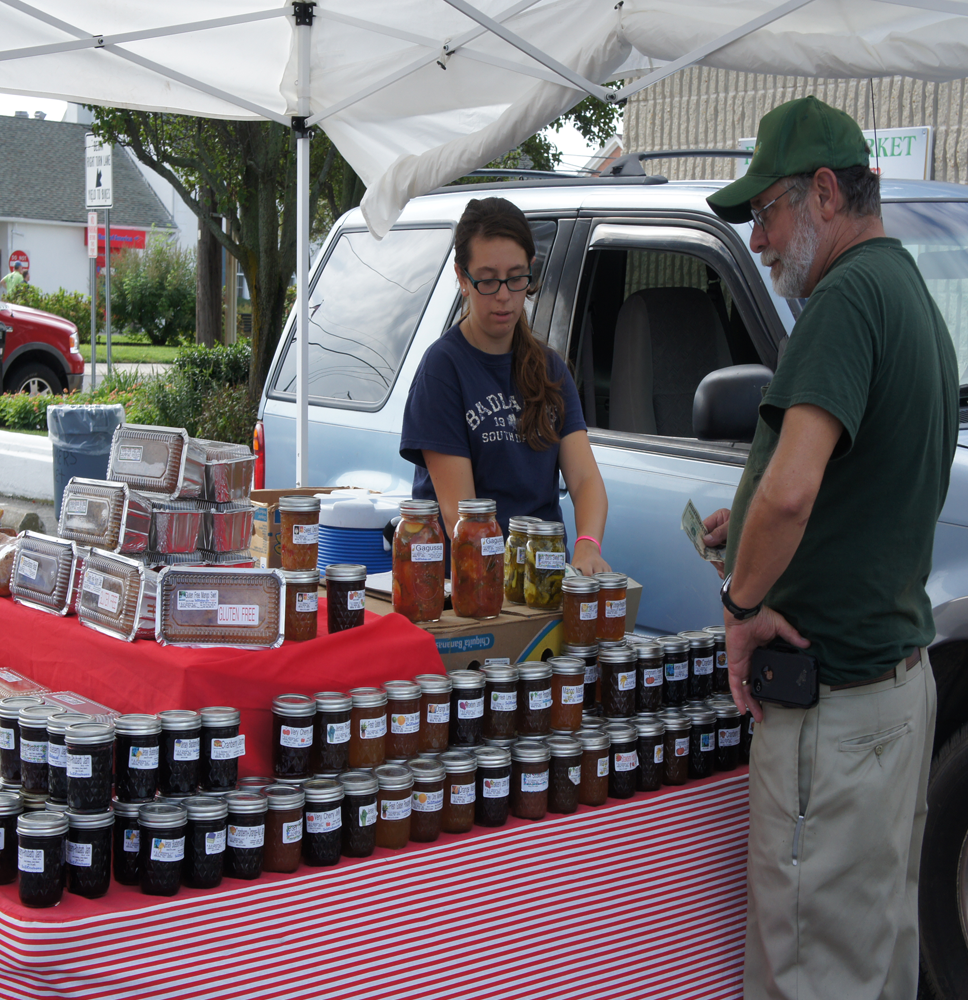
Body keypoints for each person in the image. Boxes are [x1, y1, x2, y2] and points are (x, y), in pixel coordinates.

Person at [702, 96, 958, 1000]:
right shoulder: (907, 294)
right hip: (892, 694)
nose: (760, 240)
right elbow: (856, 485)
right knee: (877, 967)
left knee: (807, 974)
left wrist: (738, 610)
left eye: (765, 212)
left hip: (836, 715)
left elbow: (796, 488)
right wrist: (753, 519)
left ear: (821, 192)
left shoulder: (846, 298)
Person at [400, 196, 610, 576]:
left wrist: (587, 546)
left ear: (530, 271)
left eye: (515, 278)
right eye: (488, 279)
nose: (503, 295)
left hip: (542, 582)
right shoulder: (442, 370)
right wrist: (515, 581)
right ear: (462, 278)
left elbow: (585, 479)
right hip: (472, 585)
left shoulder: (550, 368)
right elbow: (461, 518)